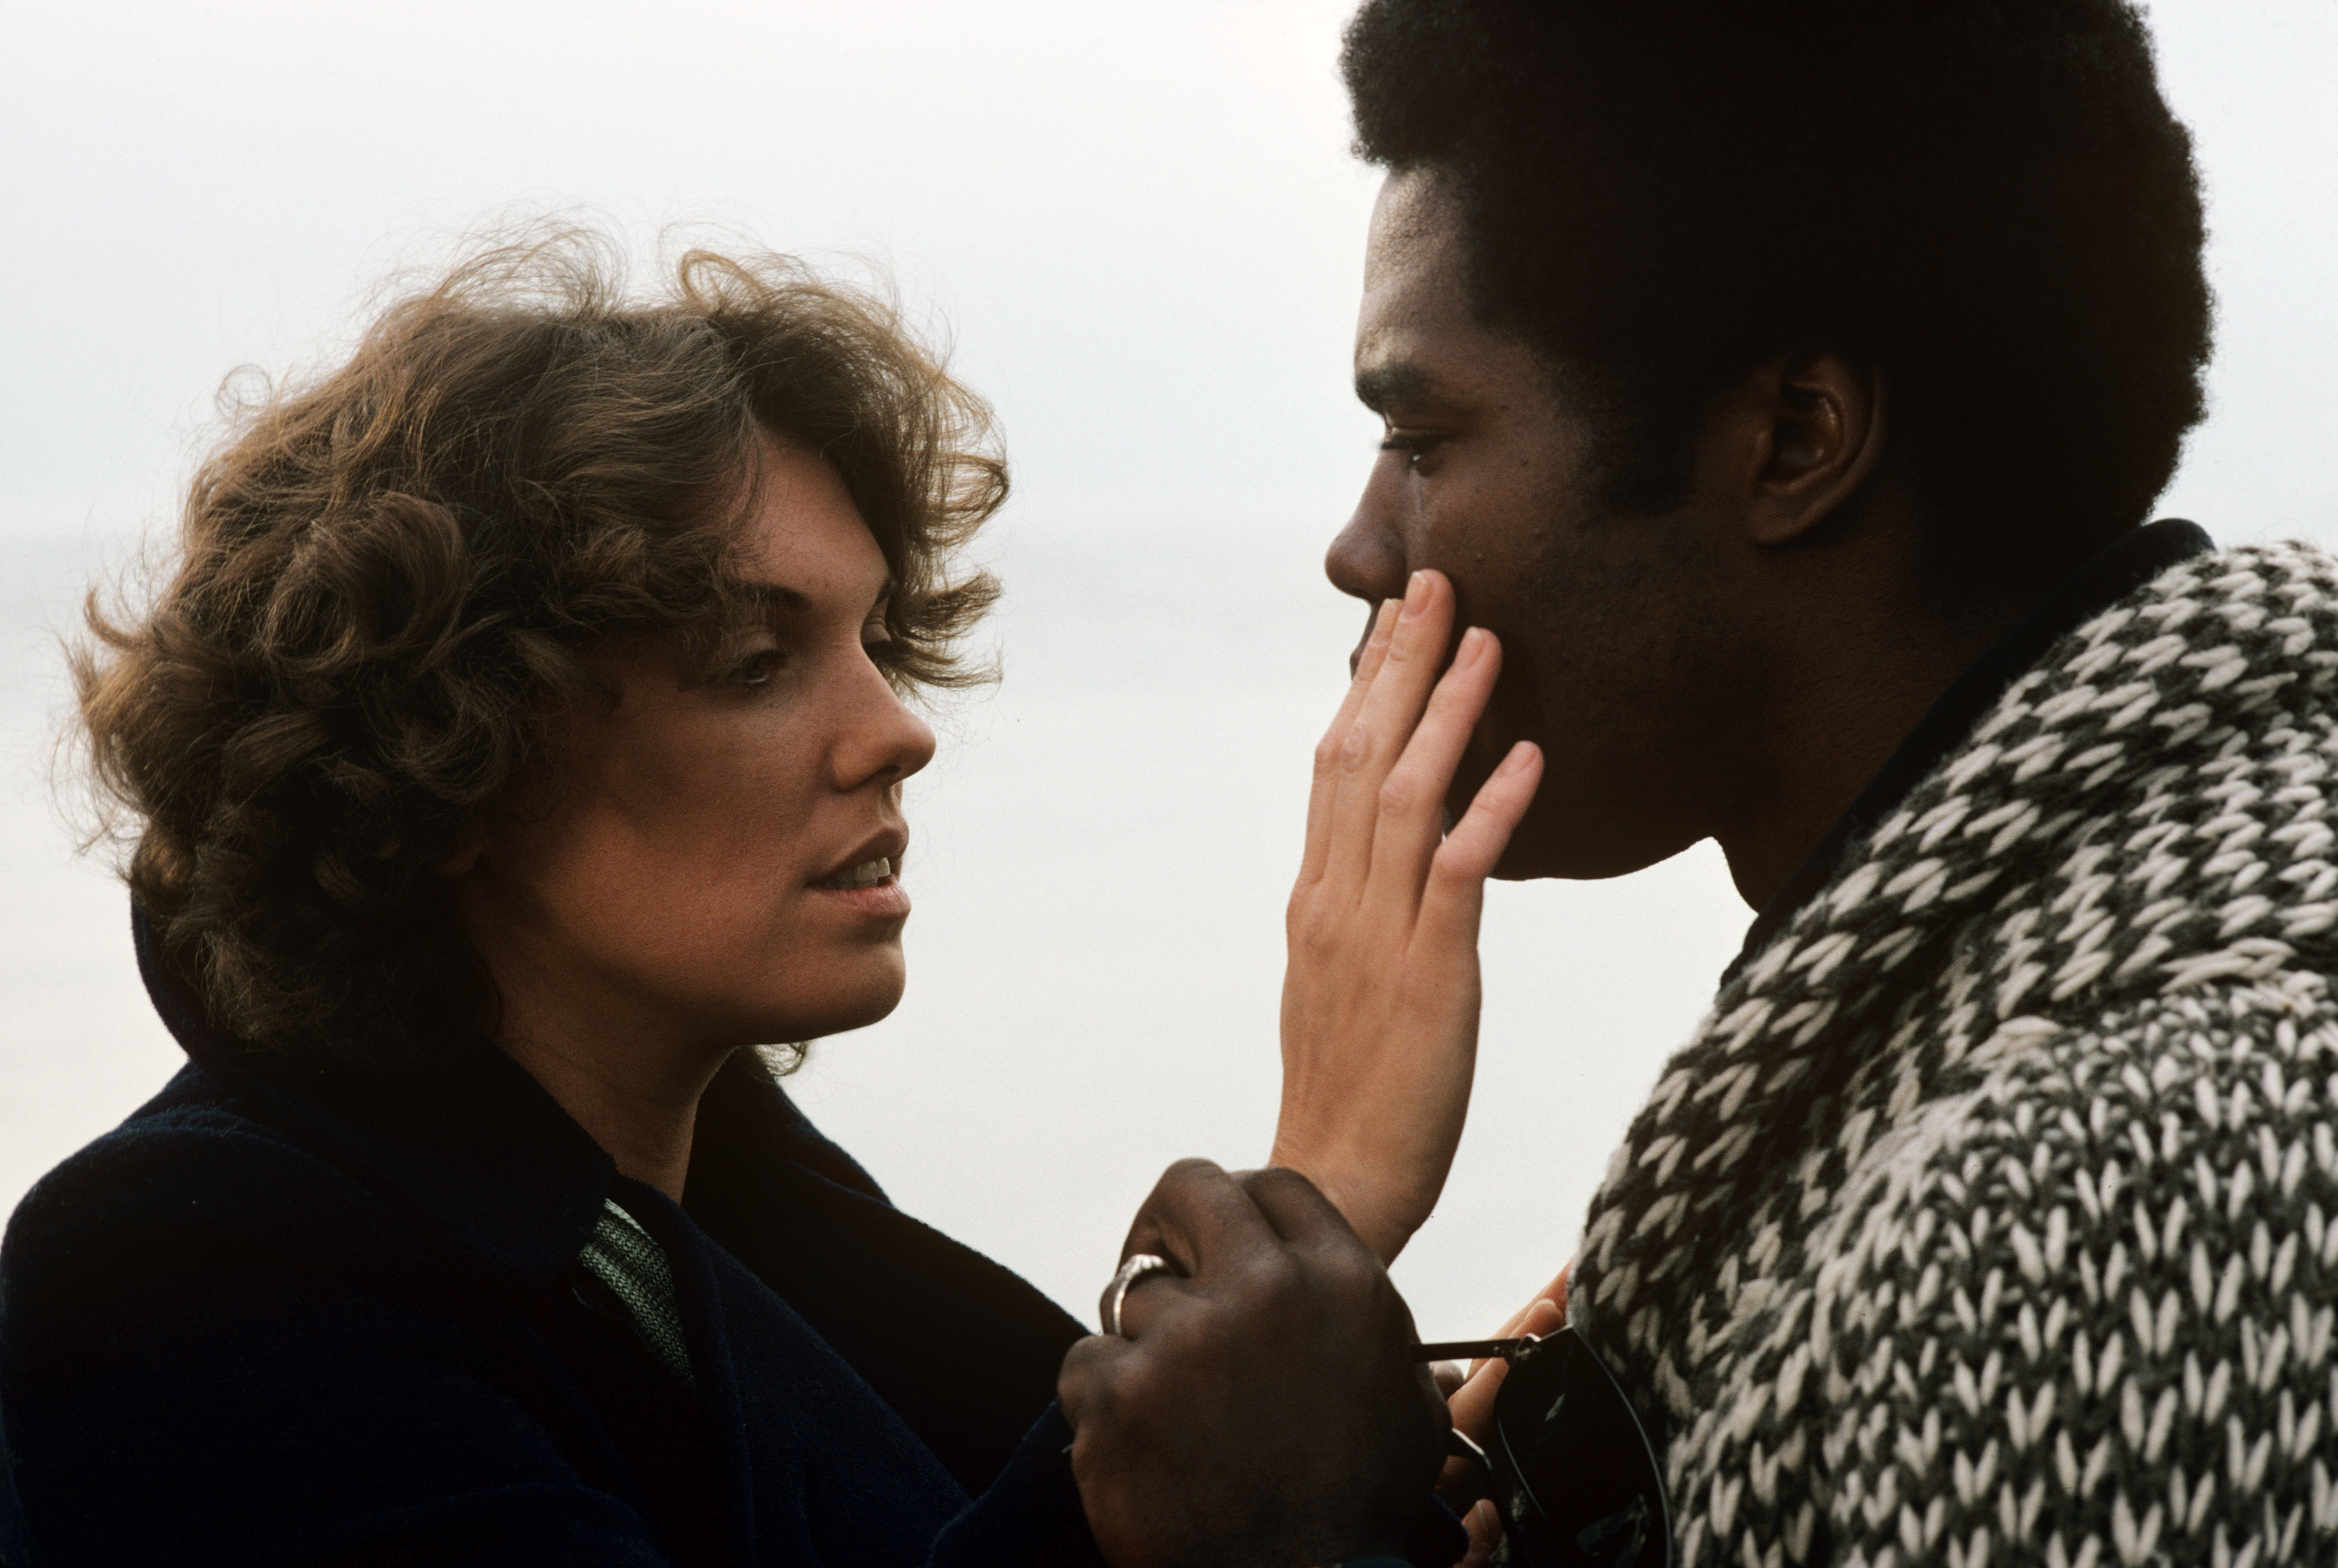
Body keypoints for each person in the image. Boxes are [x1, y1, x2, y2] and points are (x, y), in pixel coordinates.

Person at [0, 233, 1541, 1566]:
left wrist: (1389, 1469)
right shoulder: (184, 1276)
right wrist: (1312, 1210)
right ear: (455, 753)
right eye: (754, 663)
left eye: (875, 638)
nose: (896, 730)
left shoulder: (728, 1208)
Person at [1067, 2, 2338, 1565]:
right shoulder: (2052, 1006)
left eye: (1420, 434)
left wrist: (1290, 1547)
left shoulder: (2112, 1200)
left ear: (1794, 441)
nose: (1357, 547)